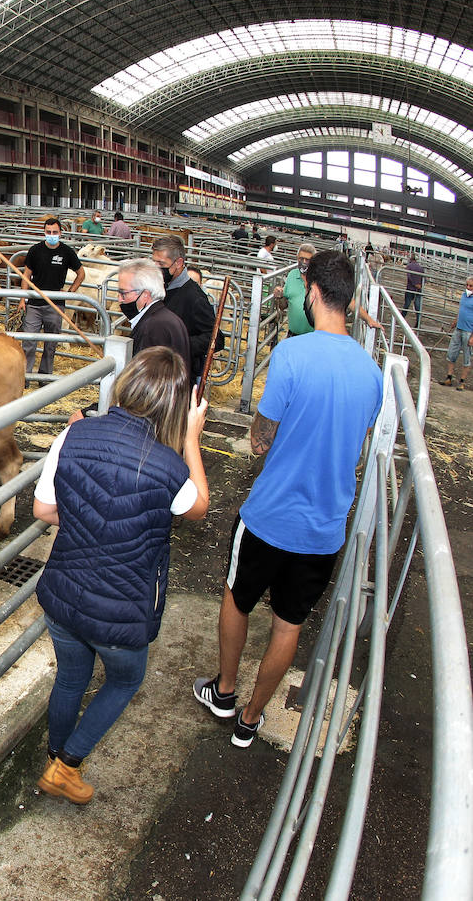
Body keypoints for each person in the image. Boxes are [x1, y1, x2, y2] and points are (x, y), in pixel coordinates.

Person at [193, 250, 383, 749]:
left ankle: (225, 691)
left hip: (270, 515)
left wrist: (272, 435)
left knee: (238, 599)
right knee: (288, 624)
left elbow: (259, 439)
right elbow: (358, 450)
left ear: (313, 293)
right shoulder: (371, 374)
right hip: (324, 526)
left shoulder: (291, 356)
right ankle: (252, 718)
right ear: (351, 298)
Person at [33, 346, 210, 804]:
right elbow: (199, 509)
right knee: (125, 680)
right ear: (175, 405)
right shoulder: (171, 468)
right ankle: (66, 766)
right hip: (123, 610)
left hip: (63, 591)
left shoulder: (74, 434)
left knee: (71, 676)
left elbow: (43, 509)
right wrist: (191, 438)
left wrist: (89, 522)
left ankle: (55, 753)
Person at [18, 216, 86, 374]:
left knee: (51, 344)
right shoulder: (35, 250)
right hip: (34, 303)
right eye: (48, 232)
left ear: (60, 232)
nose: (51, 234)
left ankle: (45, 377)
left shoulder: (67, 252)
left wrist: (70, 292)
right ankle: (25, 376)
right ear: (44, 232)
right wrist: (23, 299)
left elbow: (81, 274)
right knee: (29, 342)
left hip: (55, 305)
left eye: (55, 231)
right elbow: (26, 275)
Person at [152, 235, 217, 386]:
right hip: (157, 372)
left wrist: (180, 343)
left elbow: (215, 338)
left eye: (161, 263)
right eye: (153, 262)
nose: (156, 268)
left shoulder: (194, 297)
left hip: (179, 377)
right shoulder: (159, 287)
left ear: (179, 263)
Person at [116, 259, 191, 364]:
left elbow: (148, 376)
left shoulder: (154, 328)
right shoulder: (164, 318)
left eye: (123, 293)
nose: (119, 299)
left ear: (145, 294)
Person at [439, 275, 473, 390]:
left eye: (471, 286)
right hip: (459, 328)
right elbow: (461, 310)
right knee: (451, 353)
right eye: (467, 285)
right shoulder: (464, 296)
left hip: (469, 331)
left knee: (466, 357)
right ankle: (449, 377)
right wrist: (455, 321)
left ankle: (462, 381)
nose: (468, 287)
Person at [401, 252, 424, 327]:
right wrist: (420, 285)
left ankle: (401, 319)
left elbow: (409, 276)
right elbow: (424, 279)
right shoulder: (421, 268)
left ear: (411, 259)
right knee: (418, 307)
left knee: (407, 304)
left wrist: (414, 284)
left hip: (410, 288)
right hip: (418, 289)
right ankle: (418, 322)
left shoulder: (409, 266)